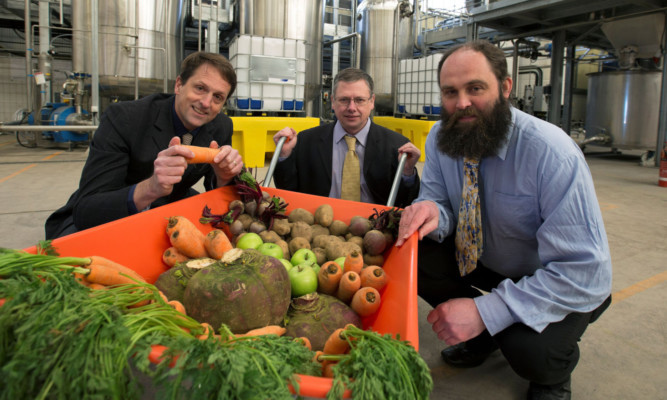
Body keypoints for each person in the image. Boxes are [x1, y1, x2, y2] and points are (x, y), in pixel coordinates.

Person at [395, 40, 612, 400]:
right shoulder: (439, 137)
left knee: (528, 351)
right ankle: (482, 341)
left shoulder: (551, 154)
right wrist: (433, 211)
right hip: (484, 257)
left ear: (505, 88)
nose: (461, 102)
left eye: (475, 88)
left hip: (553, 278)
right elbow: (437, 199)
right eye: (451, 91)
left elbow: (585, 270)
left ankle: (552, 375)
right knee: (417, 259)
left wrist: (487, 309)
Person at [45, 52, 243, 239]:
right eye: (200, 88)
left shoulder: (221, 125)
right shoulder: (124, 119)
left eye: (218, 97)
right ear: (179, 85)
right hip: (112, 212)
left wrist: (224, 177)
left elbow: (218, 191)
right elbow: (88, 210)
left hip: (170, 207)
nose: (206, 103)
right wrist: (151, 188)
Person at [271, 68, 421, 208]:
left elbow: (406, 203)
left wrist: (407, 171)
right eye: (344, 100)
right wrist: (284, 156)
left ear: (372, 101)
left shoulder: (396, 146)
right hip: (317, 228)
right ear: (333, 102)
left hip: (374, 230)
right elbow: (288, 193)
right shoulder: (305, 142)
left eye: (359, 100)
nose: (351, 107)